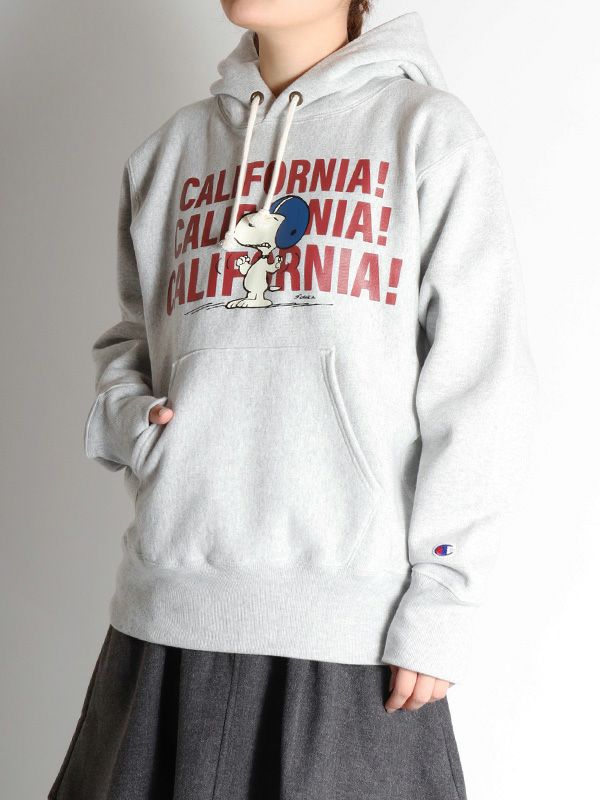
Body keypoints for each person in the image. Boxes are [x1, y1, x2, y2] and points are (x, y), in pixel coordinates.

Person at [47, 2, 536, 799]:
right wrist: (133, 422)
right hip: (163, 615)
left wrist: (444, 600)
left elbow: (481, 383)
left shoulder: (426, 134)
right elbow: (134, 340)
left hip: (351, 635)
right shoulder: (172, 151)